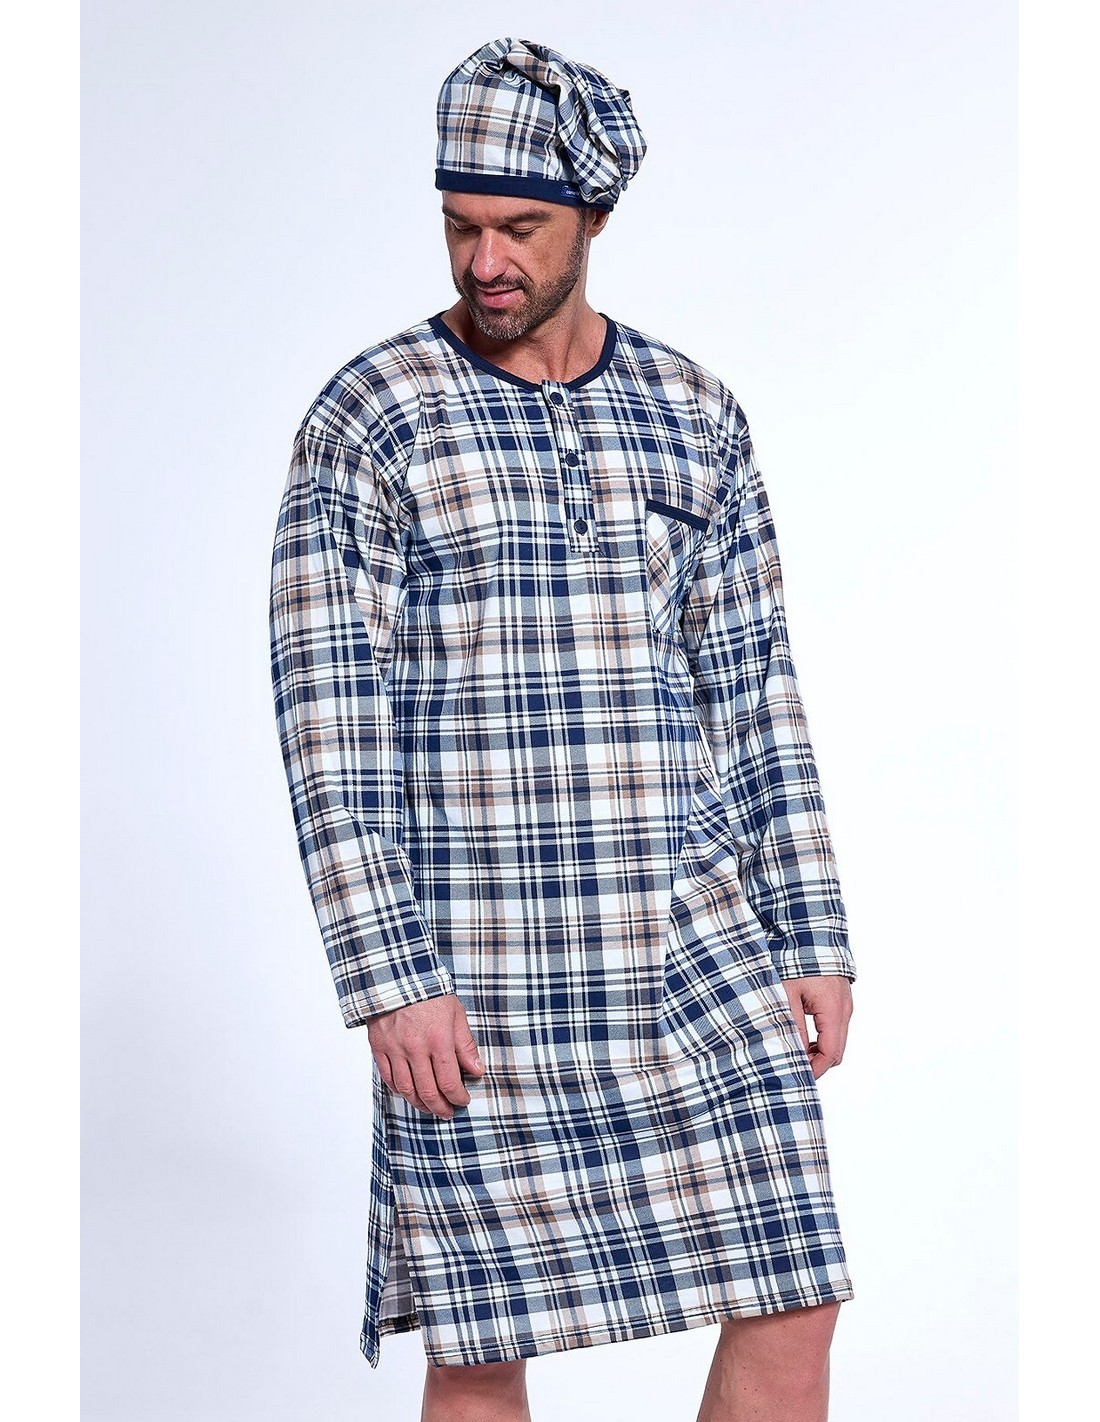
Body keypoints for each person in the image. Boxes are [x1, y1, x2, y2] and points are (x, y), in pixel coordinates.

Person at [269, 36, 856, 1422]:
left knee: (798, 1289)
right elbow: (325, 716)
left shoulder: (693, 414)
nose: (485, 260)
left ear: (591, 219)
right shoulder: (372, 417)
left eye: (519, 228)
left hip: (685, 934)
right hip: (476, 957)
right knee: (483, 1345)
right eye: (460, 225)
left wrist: (812, 930)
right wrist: (386, 974)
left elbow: (756, 690)